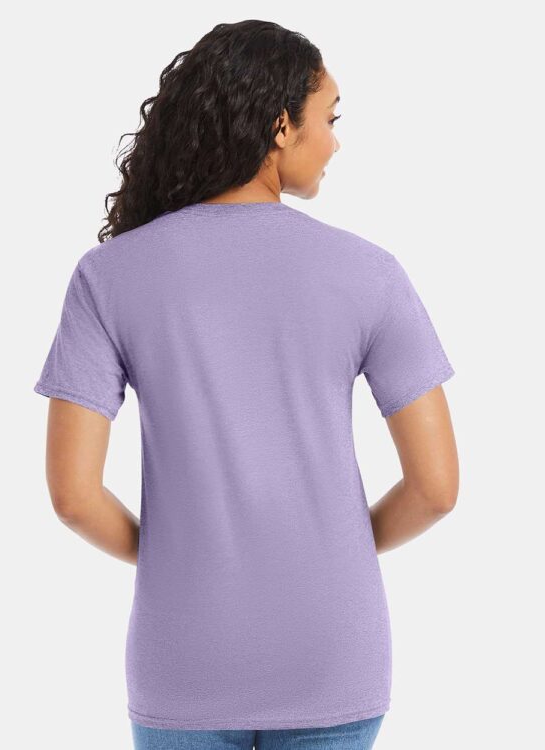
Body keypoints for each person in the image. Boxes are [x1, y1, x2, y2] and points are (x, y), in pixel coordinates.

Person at [34, 19, 458, 750]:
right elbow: (437, 488)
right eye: (330, 118)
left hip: (183, 660)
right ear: (280, 125)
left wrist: (176, 556)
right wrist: (330, 552)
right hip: (333, 656)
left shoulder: (109, 276)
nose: (336, 142)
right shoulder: (370, 273)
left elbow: (73, 497)